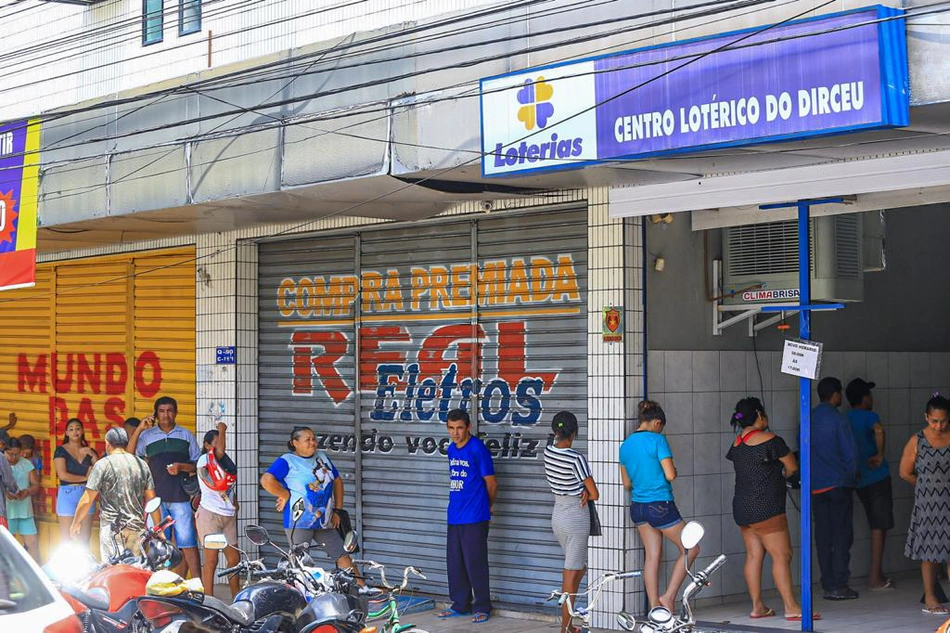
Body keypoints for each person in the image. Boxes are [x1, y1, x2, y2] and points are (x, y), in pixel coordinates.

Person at [260, 426, 377, 596]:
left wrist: (337, 510)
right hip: (299, 520)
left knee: (341, 553)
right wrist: (284, 494)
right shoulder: (287, 461)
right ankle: (303, 596)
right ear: (295, 443)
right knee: (301, 561)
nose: (313, 442)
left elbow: (337, 481)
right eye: (307, 439)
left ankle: (361, 587)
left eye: (314, 438)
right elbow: (266, 479)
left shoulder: (322, 457)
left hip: (325, 519)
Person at [726, 398, 812, 621]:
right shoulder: (771, 441)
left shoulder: (736, 444)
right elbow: (792, 468)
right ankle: (791, 607)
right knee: (782, 555)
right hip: (767, 507)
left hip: (742, 508)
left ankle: (757, 607)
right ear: (759, 414)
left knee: (754, 556)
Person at [619, 400, 696, 612]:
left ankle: (654, 607)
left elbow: (627, 483)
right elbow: (670, 474)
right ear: (657, 422)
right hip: (660, 505)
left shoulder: (625, 444)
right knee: (691, 548)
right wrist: (672, 471)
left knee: (652, 557)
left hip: (638, 507)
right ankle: (669, 597)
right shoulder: (658, 440)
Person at [128, 396, 201, 579]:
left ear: (175, 413)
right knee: (158, 546)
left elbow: (198, 465)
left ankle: (199, 586)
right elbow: (129, 455)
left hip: (181, 498)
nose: (166, 414)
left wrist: (181, 467)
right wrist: (139, 429)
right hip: (155, 500)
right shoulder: (147, 436)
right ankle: (159, 584)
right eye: (161, 411)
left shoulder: (186, 435)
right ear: (156, 414)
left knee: (188, 544)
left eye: (169, 410)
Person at [437, 409, 497, 624]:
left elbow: (491, 483)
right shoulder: (452, 449)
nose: (455, 433)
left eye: (460, 428)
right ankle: (460, 603)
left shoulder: (477, 449)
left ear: (468, 427)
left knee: (475, 562)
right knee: (455, 562)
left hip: (475, 515)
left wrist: (487, 506)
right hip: (455, 514)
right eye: (451, 428)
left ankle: (482, 606)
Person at [544, 411, 598, 633]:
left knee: (576, 568)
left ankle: (569, 622)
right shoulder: (576, 458)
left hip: (558, 515)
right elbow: (594, 493)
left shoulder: (548, 452)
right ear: (574, 432)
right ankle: (565, 628)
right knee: (571, 572)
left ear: (555, 432)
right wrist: (584, 490)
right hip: (576, 517)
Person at [72, 427, 162, 561]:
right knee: (132, 571)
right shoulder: (141, 464)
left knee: (113, 572)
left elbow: (87, 499)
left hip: (112, 531)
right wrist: (158, 528)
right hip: (136, 529)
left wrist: (75, 523)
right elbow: (152, 500)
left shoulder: (103, 465)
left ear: (107, 444)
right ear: (126, 444)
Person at [810, 376, 860, 601]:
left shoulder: (807, 418)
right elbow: (851, 455)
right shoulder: (839, 420)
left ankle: (827, 583)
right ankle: (840, 585)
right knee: (841, 536)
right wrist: (852, 477)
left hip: (816, 488)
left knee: (823, 537)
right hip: (839, 485)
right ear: (835, 395)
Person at [900, 394, 950, 615]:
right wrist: (925, 486)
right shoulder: (917, 440)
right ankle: (930, 596)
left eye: (943, 421)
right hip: (928, 505)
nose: (939, 426)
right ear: (926, 417)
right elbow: (905, 472)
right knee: (929, 552)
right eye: (934, 421)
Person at [846, 378, 896, 592]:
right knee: (879, 526)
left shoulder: (845, 418)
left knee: (875, 524)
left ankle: (877, 574)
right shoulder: (869, 416)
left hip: (858, 480)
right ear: (866, 398)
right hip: (876, 478)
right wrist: (880, 454)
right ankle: (875, 577)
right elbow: (879, 430)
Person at [196, 421, 240, 598]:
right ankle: (209, 599)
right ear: (207, 445)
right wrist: (222, 429)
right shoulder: (205, 460)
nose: (221, 444)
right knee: (212, 559)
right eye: (217, 441)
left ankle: (237, 596)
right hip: (211, 516)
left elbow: (229, 487)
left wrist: (234, 502)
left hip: (227, 516)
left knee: (234, 559)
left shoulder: (222, 463)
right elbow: (219, 451)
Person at [53, 418, 98, 543]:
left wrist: (93, 455)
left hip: (87, 494)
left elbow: (100, 470)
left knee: (85, 537)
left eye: (78, 428)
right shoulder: (60, 450)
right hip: (67, 494)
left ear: (82, 431)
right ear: (66, 433)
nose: (75, 432)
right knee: (66, 538)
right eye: (71, 429)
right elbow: (63, 475)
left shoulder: (89, 451)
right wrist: (86, 478)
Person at [5, 438, 39, 560]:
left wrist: (27, 492)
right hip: (6, 512)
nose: (13, 457)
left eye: (17, 454)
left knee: (33, 544)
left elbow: (36, 485)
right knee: (7, 547)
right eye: (10, 454)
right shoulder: (1, 463)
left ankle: (34, 575)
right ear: (4, 451)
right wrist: (5, 493)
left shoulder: (27, 464)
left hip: (25, 510)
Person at [19, 434, 44, 519]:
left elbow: (37, 479)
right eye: (23, 453)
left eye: (28, 453)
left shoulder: (36, 459)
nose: (25, 456)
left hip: (29, 493)